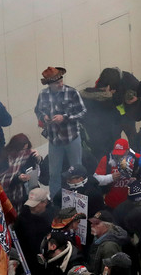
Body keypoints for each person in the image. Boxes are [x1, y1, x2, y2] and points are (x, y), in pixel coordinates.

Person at [34, 66, 87, 200]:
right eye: (57, 83)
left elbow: (83, 112)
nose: (61, 84)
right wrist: (43, 117)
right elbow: (38, 110)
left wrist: (65, 117)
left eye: (61, 81)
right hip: (54, 140)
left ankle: (80, 197)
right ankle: (56, 200)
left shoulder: (72, 92)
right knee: (54, 173)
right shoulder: (43, 94)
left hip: (72, 138)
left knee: (77, 169)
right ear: (49, 84)